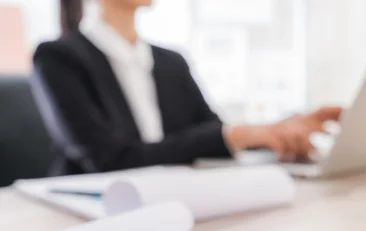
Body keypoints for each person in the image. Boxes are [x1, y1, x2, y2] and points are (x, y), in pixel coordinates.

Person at [34, 0, 342, 175]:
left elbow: (213, 135)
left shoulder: (171, 62)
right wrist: (237, 135)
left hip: (173, 206)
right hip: (90, 217)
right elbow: (108, 159)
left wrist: (279, 133)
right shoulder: (57, 58)